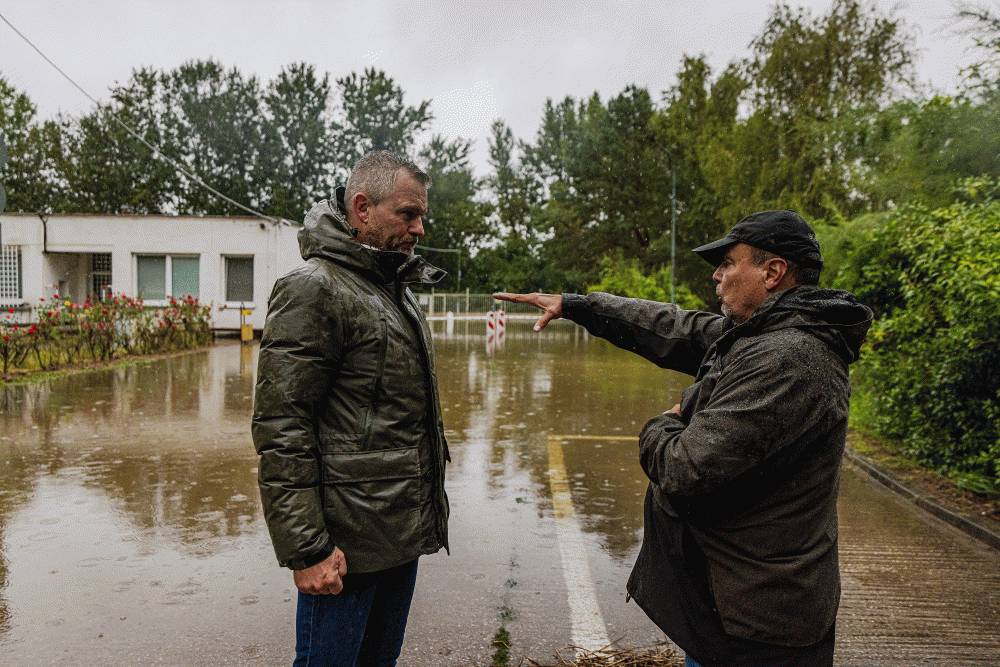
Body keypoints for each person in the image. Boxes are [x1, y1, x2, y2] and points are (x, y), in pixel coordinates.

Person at [495, 210, 872, 666]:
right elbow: (674, 327)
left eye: (728, 263)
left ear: (772, 272)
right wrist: (581, 306)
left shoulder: (789, 358)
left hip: (760, 627)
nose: (716, 275)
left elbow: (684, 468)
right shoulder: (763, 336)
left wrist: (663, 423)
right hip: (733, 607)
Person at [252, 150, 450, 667]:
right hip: (345, 551)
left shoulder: (394, 290)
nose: (420, 227)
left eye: (421, 215)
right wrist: (307, 549)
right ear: (362, 207)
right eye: (408, 214)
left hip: (397, 534)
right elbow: (282, 427)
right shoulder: (315, 289)